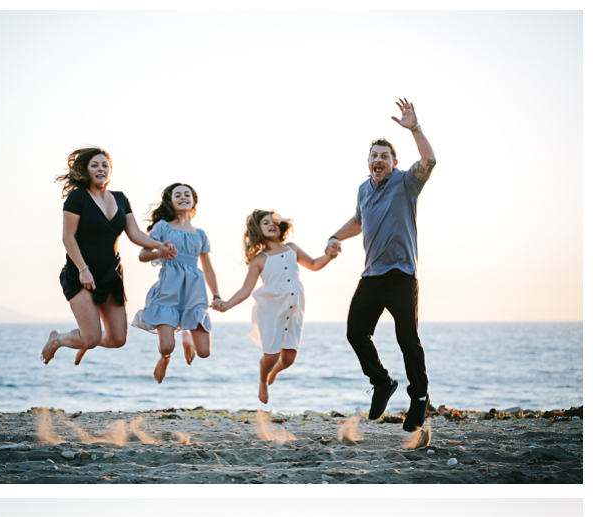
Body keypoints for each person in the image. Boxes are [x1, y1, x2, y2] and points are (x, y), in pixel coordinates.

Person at [326, 99, 436, 432]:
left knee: (407, 339)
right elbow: (359, 221)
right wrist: (335, 236)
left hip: (402, 275)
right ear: (368, 162)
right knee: (355, 332)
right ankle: (382, 382)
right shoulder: (363, 189)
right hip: (371, 276)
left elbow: (429, 160)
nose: (379, 160)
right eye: (374, 155)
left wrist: (414, 127)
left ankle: (418, 398)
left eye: (384, 156)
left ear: (394, 162)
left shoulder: (406, 182)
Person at [41, 147, 177, 367]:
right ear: (86, 169)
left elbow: (135, 234)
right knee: (93, 338)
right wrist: (83, 269)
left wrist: (160, 246)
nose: (100, 169)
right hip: (81, 274)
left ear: (110, 170)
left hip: (111, 274)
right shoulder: (78, 198)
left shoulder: (121, 199)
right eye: (94, 165)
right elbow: (68, 237)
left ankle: (85, 338)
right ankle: (59, 339)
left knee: (117, 339)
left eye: (105, 165)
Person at [213, 210, 337, 404]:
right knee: (270, 356)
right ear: (257, 230)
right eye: (265, 223)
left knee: (288, 359)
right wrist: (227, 304)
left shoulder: (292, 248)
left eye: (275, 222)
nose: (272, 225)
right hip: (271, 310)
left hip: (293, 308)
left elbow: (313, 264)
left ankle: (276, 370)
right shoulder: (259, 259)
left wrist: (329, 256)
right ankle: (263, 380)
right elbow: (245, 289)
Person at [132, 183, 221, 384]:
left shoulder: (200, 234)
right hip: (169, 290)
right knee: (165, 347)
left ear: (194, 201)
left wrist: (216, 295)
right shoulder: (162, 226)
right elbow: (142, 255)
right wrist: (160, 252)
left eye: (186, 194)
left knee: (205, 352)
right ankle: (165, 358)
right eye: (177, 195)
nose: (182, 197)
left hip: (194, 292)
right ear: (170, 202)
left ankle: (186, 335)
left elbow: (208, 268)